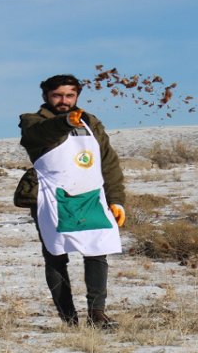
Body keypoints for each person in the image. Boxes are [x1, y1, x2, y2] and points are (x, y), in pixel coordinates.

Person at [14, 74, 125, 329]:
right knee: (56, 255)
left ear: (77, 96)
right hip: (51, 198)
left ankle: (97, 315)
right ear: (46, 96)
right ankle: (68, 318)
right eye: (57, 96)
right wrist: (65, 122)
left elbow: (107, 161)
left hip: (90, 196)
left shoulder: (90, 122)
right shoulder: (32, 121)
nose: (64, 101)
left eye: (69, 96)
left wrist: (117, 199)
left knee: (97, 251)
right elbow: (40, 136)